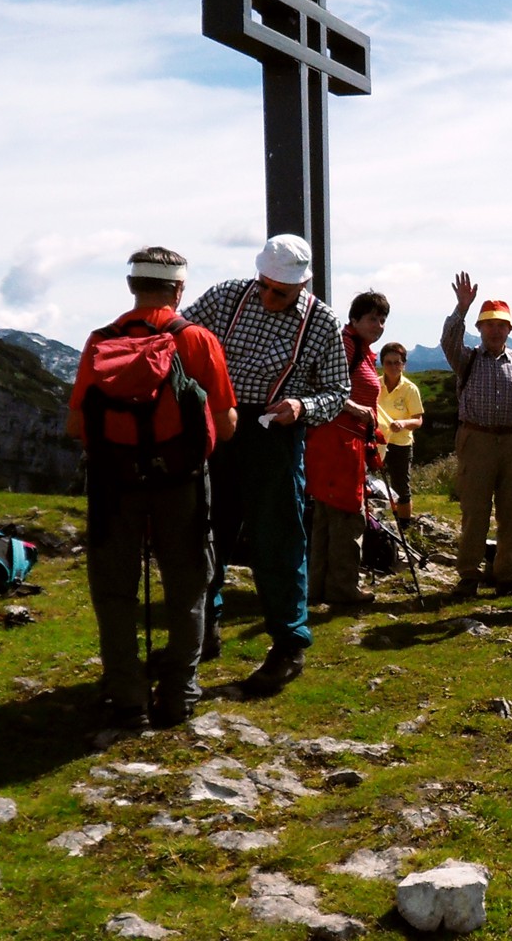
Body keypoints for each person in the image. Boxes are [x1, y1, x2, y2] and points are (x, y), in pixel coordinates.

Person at [67, 247, 237, 730]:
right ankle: (179, 694)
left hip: (113, 484)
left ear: (131, 286)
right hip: (181, 484)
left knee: (114, 591)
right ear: (179, 289)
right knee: (187, 589)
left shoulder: (101, 341)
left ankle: (127, 698)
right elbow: (225, 426)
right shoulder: (197, 340)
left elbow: (76, 423)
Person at [184, 235, 350, 693]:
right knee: (205, 529)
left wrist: (301, 406)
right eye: (265, 286)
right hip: (219, 422)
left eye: (280, 291)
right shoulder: (225, 296)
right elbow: (180, 336)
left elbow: (338, 393)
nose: (269, 297)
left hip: (274, 434)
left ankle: (288, 644)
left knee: (277, 539)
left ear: (302, 286)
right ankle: (202, 629)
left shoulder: (321, 322)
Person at [440, 273, 512, 598]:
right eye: (489, 324)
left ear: (509, 329)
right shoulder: (467, 358)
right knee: (475, 511)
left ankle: (509, 575)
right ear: (479, 329)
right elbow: (448, 342)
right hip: (476, 441)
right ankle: (468, 576)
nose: (495, 330)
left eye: (501, 325)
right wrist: (461, 308)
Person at [306, 290, 388, 606]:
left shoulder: (359, 349)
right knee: (347, 515)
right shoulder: (346, 346)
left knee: (327, 516)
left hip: (340, 442)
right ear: (355, 319)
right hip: (339, 442)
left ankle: (318, 587)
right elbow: (321, 386)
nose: (379, 325)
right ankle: (342, 588)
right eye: (372, 318)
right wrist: (358, 411)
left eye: (382, 320)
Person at [376, 341, 424, 531]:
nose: (394, 367)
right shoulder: (375, 384)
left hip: (400, 443)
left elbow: (418, 420)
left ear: (404, 364)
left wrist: (403, 424)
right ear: (382, 364)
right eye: (389, 362)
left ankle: (405, 528)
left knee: (401, 487)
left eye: (397, 362)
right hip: (377, 441)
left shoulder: (410, 389)